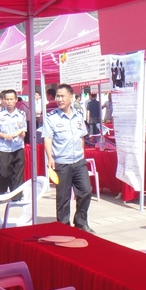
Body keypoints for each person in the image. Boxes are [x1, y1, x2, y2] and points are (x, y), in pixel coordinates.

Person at [43, 83, 93, 232]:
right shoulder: (51, 117)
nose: (59, 99)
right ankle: (63, 227)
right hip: (62, 162)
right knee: (63, 197)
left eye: (62, 96)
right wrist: (50, 158)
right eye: (57, 96)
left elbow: (82, 137)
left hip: (78, 161)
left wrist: (82, 154)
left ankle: (81, 222)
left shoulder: (78, 116)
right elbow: (47, 138)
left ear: (71, 97)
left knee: (86, 191)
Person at [0, 89, 26, 197]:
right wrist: (5, 136)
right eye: (7, 99)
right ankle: (2, 192)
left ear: (16, 100)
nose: (9, 102)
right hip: (4, 147)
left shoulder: (21, 114)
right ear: (4, 100)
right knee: (4, 173)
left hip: (18, 147)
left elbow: (23, 130)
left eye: (11, 99)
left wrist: (21, 134)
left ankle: (17, 196)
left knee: (18, 173)